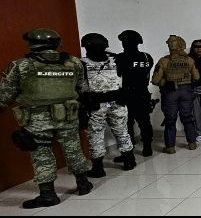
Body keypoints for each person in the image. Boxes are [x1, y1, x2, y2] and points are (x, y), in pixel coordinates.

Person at [0, 29, 93, 209]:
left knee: (41, 154)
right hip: (68, 114)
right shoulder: (74, 63)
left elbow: (5, 95)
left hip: (37, 117)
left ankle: (48, 194)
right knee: (73, 149)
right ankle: (83, 184)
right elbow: (83, 89)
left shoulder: (21, 66)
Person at [79, 33, 135, 177]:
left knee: (96, 135)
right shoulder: (116, 60)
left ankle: (98, 168)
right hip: (115, 103)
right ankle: (129, 160)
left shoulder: (81, 64)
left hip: (96, 105)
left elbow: (76, 86)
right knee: (122, 131)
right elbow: (127, 79)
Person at [150, 35, 200, 153]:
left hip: (170, 92)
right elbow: (197, 77)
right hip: (186, 91)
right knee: (187, 118)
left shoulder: (164, 60)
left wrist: (165, 82)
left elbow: (155, 80)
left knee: (170, 120)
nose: (170, 44)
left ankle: (170, 147)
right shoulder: (189, 60)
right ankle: (192, 143)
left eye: (171, 43)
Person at [115, 30, 154, 158]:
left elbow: (118, 74)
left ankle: (129, 150)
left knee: (127, 123)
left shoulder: (120, 58)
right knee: (143, 122)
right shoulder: (147, 57)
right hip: (142, 92)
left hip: (127, 94)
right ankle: (147, 148)